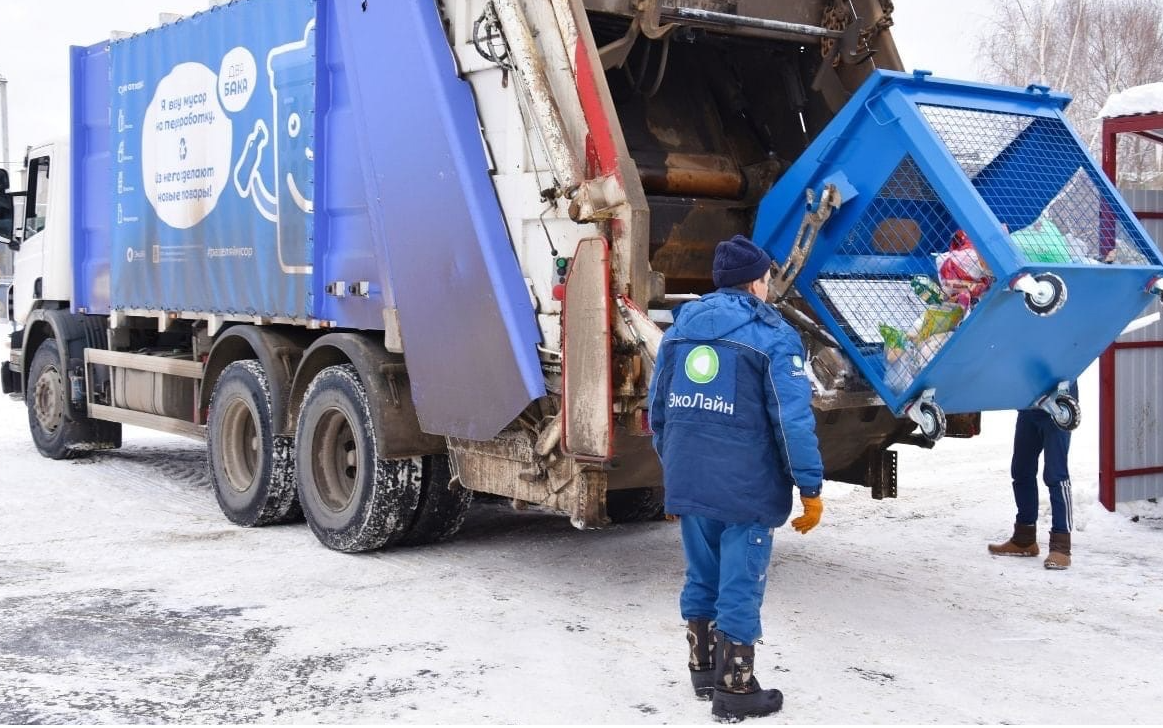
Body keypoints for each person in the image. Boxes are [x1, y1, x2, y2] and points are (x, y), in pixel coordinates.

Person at [648, 234, 824, 722]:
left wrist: (675, 467)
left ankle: (703, 670)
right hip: (746, 487)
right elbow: (792, 424)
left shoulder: (679, 332)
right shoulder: (773, 338)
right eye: (768, 278)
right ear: (756, 283)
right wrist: (809, 487)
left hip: (690, 479)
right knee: (740, 582)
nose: (768, 287)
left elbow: (658, 410)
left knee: (701, 574)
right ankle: (736, 689)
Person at [988, 381, 1079, 570]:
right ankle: (1024, 539)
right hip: (1029, 405)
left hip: (1057, 404)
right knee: (1021, 470)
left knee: (1056, 474)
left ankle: (1061, 546)